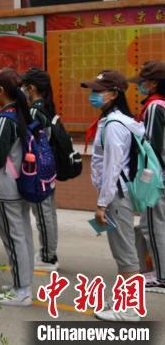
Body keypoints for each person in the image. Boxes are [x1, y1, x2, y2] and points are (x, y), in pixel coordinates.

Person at [81, 70, 144, 322]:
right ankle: (122, 301)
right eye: (93, 90)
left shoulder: (114, 125)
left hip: (116, 196)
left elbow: (112, 167)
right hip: (117, 194)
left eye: (99, 91)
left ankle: (130, 309)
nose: (93, 95)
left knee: (125, 253)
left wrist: (102, 204)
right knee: (122, 251)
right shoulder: (117, 121)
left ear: (114, 94)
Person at [0, 68, 34, 306]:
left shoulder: (5, 118)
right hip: (21, 182)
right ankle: (22, 283)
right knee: (22, 236)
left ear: (0, 90)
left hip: (5, 186)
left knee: (13, 239)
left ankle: (21, 291)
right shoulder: (21, 113)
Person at [131, 61, 165, 293]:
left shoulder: (154, 107)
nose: (140, 86)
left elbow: (150, 148)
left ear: (153, 83)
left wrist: (146, 181)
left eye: (143, 82)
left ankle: (161, 277)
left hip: (157, 178)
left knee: (153, 226)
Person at [21, 67, 60, 271]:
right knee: (49, 213)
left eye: (25, 87)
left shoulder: (34, 111)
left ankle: (48, 257)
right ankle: (49, 251)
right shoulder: (47, 107)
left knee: (43, 214)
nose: (23, 91)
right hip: (50, 167)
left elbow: (33, 142)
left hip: (40, 169)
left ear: (32, 88)